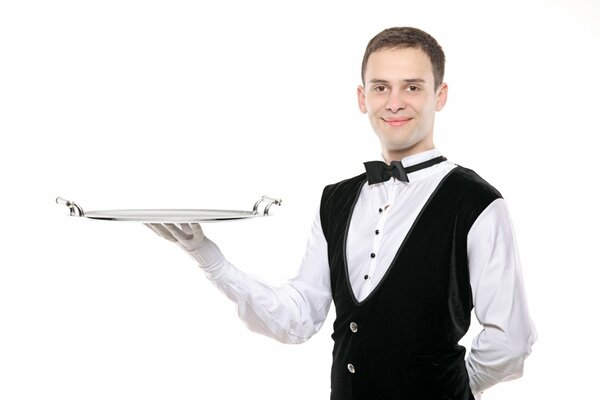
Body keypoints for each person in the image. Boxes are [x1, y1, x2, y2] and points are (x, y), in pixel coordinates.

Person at [146, 27, 536, 400]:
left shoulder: (478, 202)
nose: (395, 102)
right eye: (381, 87)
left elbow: (511, 339)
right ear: (362, 98)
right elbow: (298, 318)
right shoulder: (334, 200)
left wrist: (451, 387)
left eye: (412, 87)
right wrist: (209, 258)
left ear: (440, 95)